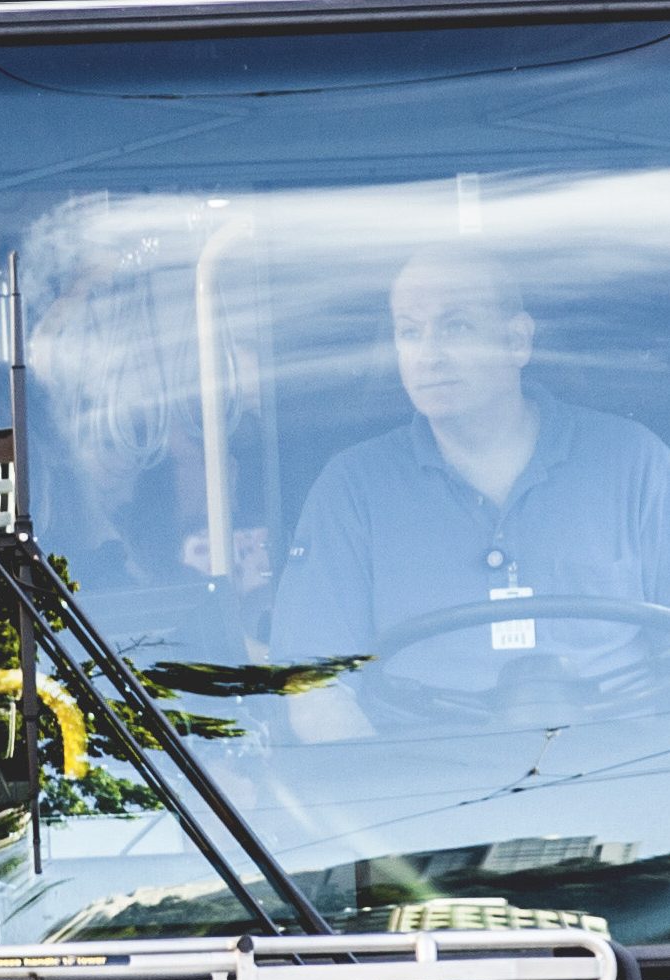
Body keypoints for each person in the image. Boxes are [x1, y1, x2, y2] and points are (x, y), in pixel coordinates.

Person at [271, 248, 670, 737]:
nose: (429, 355)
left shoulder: (633, 463)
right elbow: (316, 688)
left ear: (517, 340)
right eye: (410, 332)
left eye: (456, 327)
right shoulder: (352, 489)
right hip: (425, 790)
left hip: (624, 779)